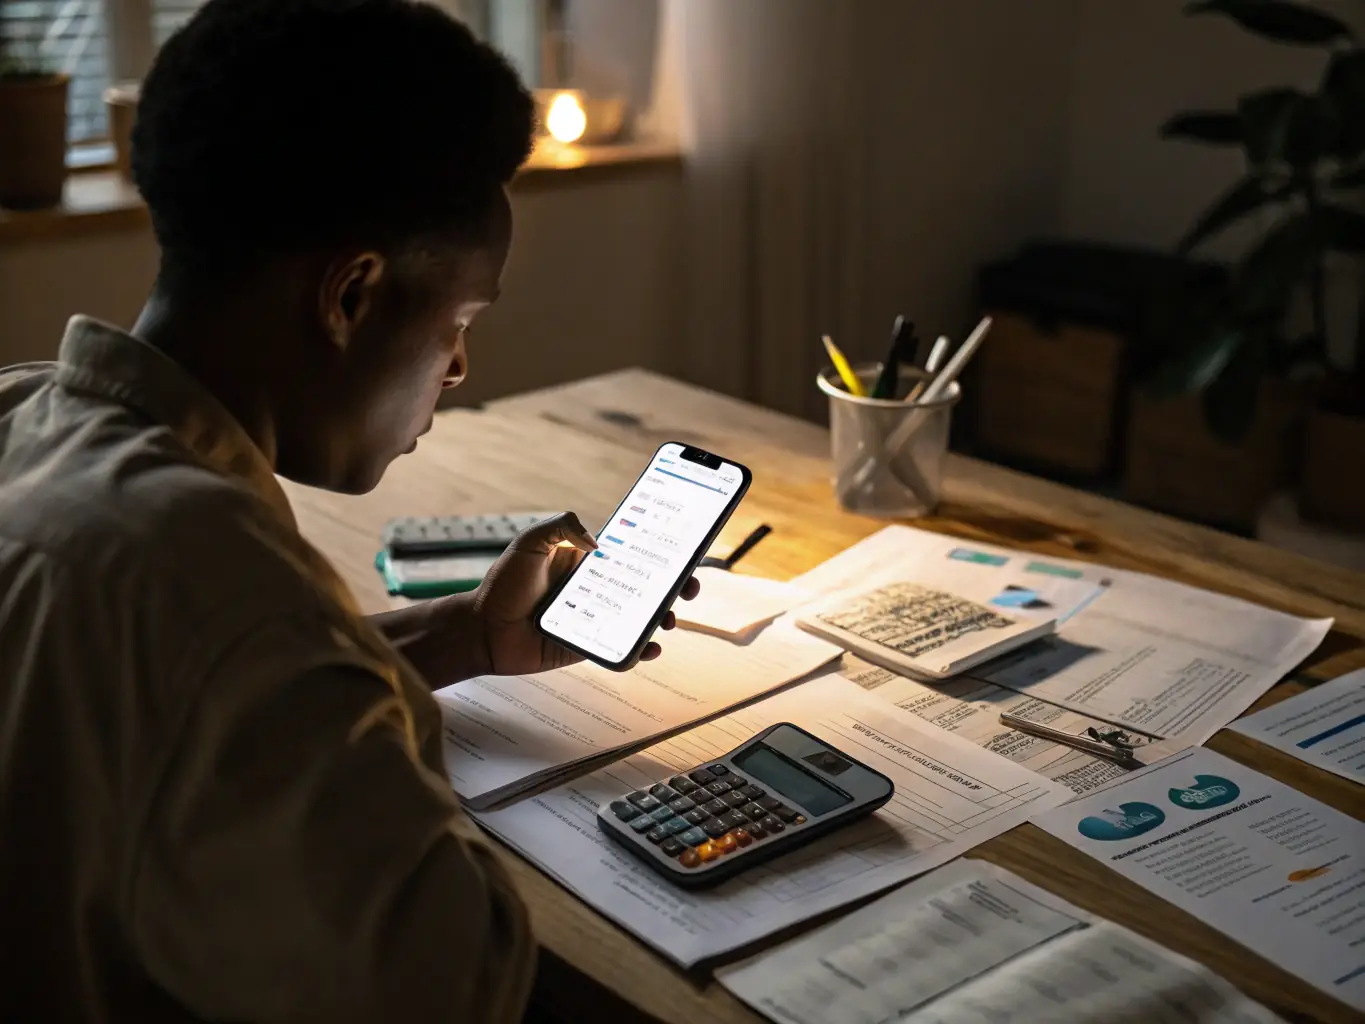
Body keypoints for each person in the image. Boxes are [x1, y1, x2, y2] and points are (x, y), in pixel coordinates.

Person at [0, 1, 698, 1020]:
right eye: (460, 318)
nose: (459, 366)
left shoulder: (22, 412)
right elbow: (461, 984)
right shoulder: (231, 594)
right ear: (351, 295)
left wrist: (462, 631)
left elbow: (165, 710)